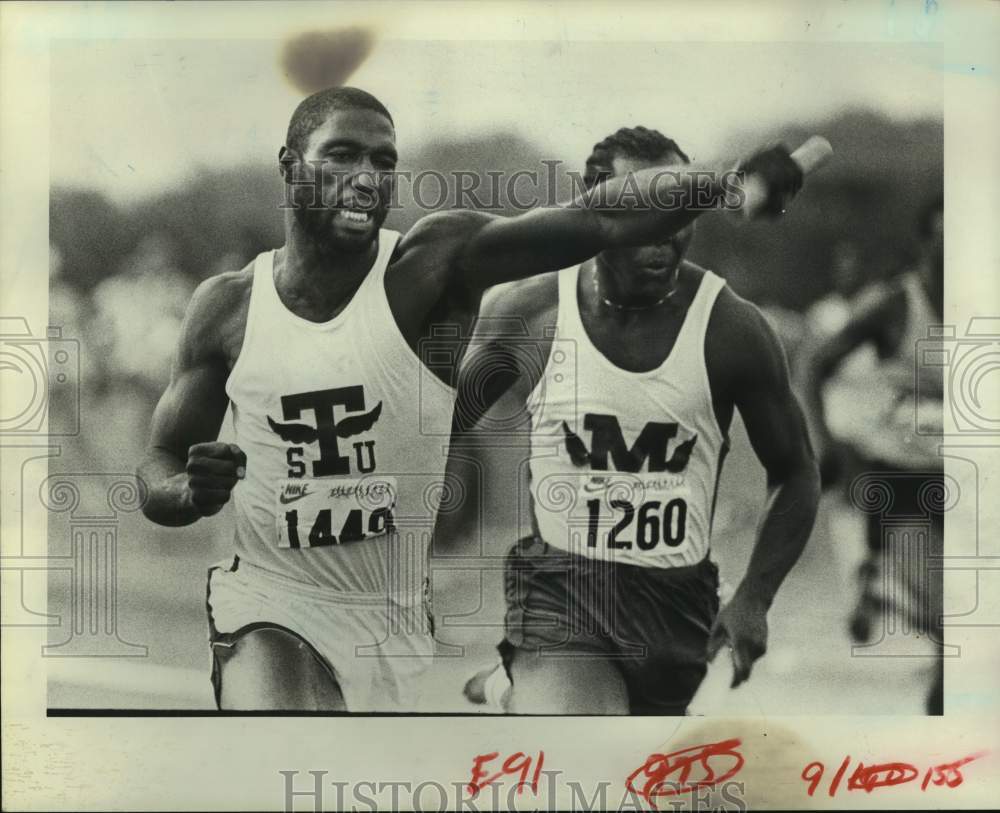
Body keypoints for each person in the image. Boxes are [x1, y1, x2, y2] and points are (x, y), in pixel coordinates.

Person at [138, 87, 807, 711]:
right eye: (341, 155)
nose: (366, 176)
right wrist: (187, 493)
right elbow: (160, 462)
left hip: (394, 618)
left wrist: (727, 179)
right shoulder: (226, 308)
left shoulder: (432, 267)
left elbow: (602, 219)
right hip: (271, 597)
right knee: (284, 753)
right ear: (290, 165)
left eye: (383, 160)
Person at [456, 126, 821, 715]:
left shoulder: (733, 329)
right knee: (583, 755)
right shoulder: (532, 313)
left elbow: (797, 472)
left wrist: (755, 595)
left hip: (674, 607)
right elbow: (438, 426)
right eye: (645, 212)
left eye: (681, 211)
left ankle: (512, 687)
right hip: (561, 589)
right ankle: (534, 682)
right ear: (599, 211)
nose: (664, 235)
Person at [802, 195, 944, 714]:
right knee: (945, 616)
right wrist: (823, 442)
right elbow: (813, 365)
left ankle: (878, 588)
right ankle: (869, 588)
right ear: (927, 243)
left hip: (970, 482)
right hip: (896, 471)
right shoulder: (892, 305)